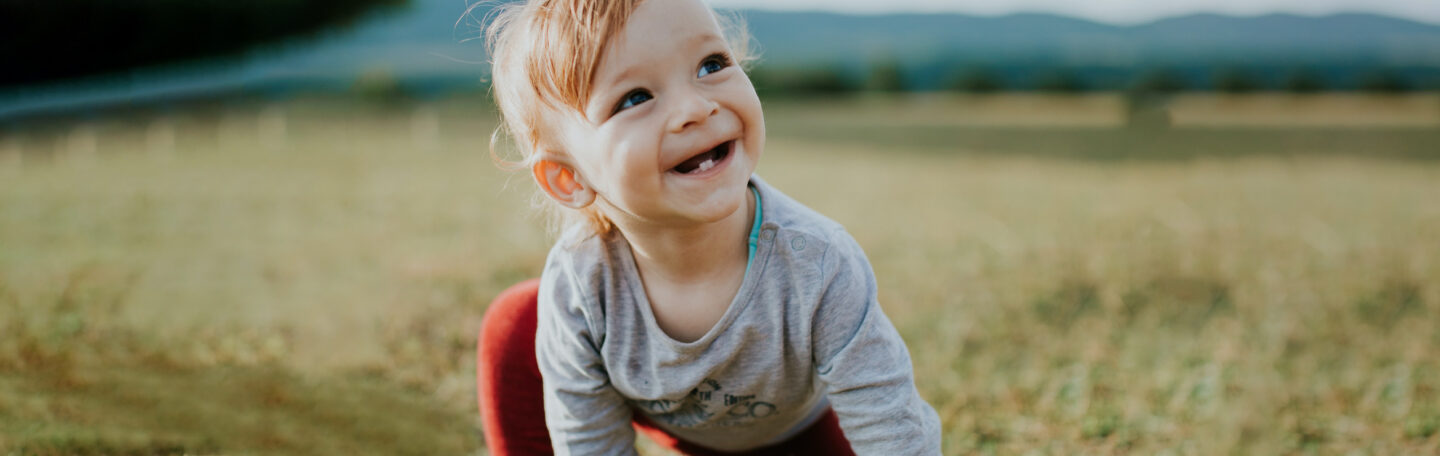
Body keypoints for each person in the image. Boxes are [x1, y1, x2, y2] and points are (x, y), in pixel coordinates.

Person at [475, 0, 942, 454]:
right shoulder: (581, 281)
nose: (695, 108)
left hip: (798, 434)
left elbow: (893, 428)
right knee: (516, 321)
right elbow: (589, 441)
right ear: (570, 178)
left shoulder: (819, 265)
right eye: (635, 97)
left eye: (710, 64)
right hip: (674, 429)